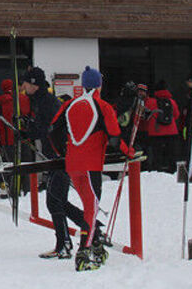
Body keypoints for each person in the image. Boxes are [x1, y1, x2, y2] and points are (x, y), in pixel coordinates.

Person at [53, 67, 133, 271]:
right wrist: (129, 151)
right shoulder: (103, 106)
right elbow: (114, 138)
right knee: (91, 207)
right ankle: (83, 252)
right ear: (99, 85)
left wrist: (62, 152)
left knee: (88, 205)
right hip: (91, 165)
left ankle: (96, 245)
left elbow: (53, 129)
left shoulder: (69, 105)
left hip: (72, 165)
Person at [38, 94, 90, 260]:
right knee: (60, 202)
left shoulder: (65, 118)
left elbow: (55, 136)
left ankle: (64, 244)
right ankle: (92, 228)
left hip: (63, 161)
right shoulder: (67, 117)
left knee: (55, 201)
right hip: (62, 160)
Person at [144, 81, 181, 173]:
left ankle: (157, 170)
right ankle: (172, 169)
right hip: (171, 132)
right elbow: (176, 115)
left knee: (157, 153)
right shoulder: (172, 101)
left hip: (155, 132)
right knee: (171, 152)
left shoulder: (150, 102)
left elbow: (145, 117)